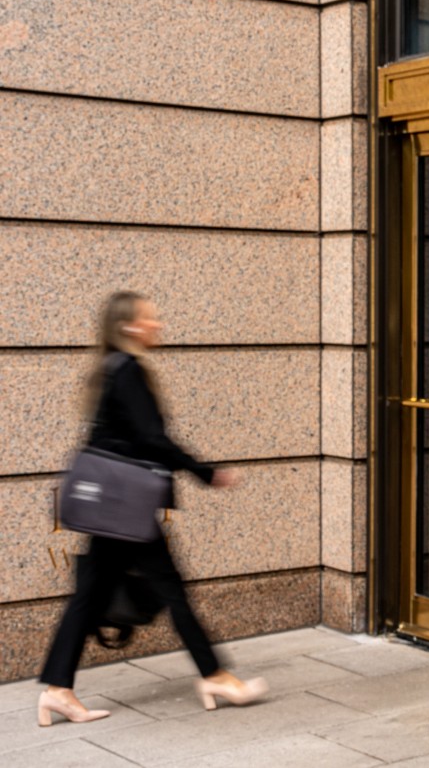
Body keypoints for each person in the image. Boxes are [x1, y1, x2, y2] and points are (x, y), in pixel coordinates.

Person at [37, 291, 268, 726]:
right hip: (126, 506)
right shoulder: (127, 370)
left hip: (114, 506)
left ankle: (57, 689)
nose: (158, 324)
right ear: (129, 327)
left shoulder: (111, 369)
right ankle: (215, 675)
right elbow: (151, 439)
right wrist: (204, 471)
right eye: (150, 319)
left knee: (89, 595)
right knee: (169, 589)